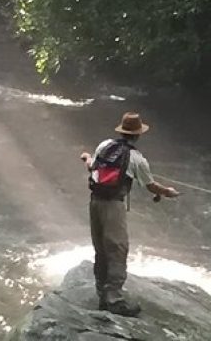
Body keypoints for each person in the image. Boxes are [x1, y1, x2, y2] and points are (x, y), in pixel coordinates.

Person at [79, 112, 179, 316]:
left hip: (95, 202)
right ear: (138, 135)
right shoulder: (137, 159)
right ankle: (114, 299)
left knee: (101, 249)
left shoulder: (105, 145)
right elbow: (151, 186)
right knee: (117, 249)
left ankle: (102, 293)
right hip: (114, 207)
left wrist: (87, 157)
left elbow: (92, 167)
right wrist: (167, 192)